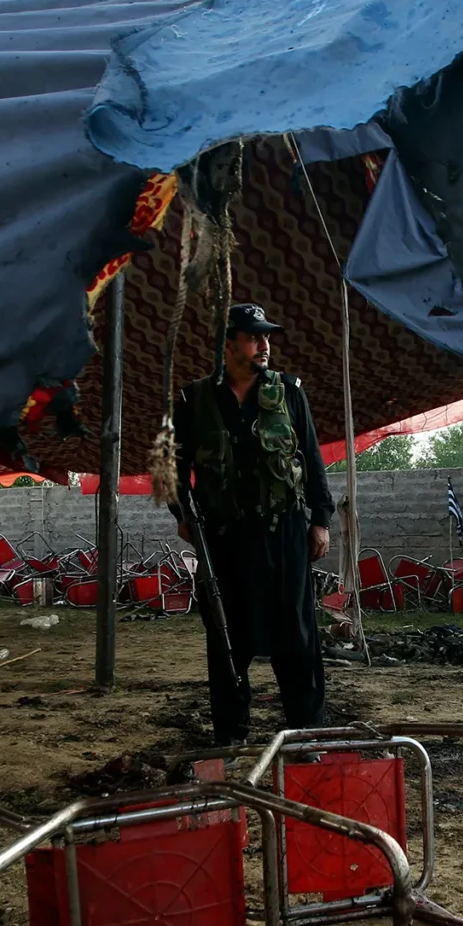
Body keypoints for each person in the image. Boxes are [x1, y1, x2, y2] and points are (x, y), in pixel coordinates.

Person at [172, 303, 335, 745]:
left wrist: (320, 520)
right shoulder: (194, 400)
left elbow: (313, 461)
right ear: (227, 345)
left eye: (266, 337)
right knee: (227, 638)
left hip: (283, 533)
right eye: (253, 337)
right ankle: (231, 736)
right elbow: (173, 468)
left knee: (298, 637)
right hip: (224, 538)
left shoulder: (289, 392)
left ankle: (305, 734)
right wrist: (183, 516)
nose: (264, 345)